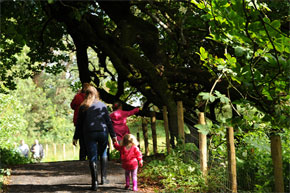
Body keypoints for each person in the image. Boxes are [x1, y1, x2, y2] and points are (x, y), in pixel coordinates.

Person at [73, 85, 118, 191]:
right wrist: (113, 136)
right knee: (103, 153)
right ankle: (104, 178)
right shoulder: (102, 105)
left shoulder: (83, 106)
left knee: (92, 157)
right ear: (96, 93)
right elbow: (108, 122)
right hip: (102, 132)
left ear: (86, 95)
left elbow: (79, 124)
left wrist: (75, 137)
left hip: (89, 134)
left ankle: (95, 183)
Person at [71, 82, 90, 160]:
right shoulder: (91, 98)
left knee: (82, 141)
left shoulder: (78, 96)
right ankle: (90, 156)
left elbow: (72, 106)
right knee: (89, 140)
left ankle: (82, 158)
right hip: (89, 122)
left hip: (79, 121)